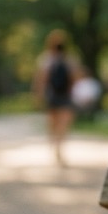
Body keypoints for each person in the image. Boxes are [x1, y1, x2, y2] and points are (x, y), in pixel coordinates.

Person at [33, 30, 77, 165]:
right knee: (63, 124)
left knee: (53, 123)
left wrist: (38, 95)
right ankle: (59, 147)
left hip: (52, 96)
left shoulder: (46, 59)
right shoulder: (69, 59)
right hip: (65, 96)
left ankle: (55, 145)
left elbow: (41, 79)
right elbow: (73, 79)